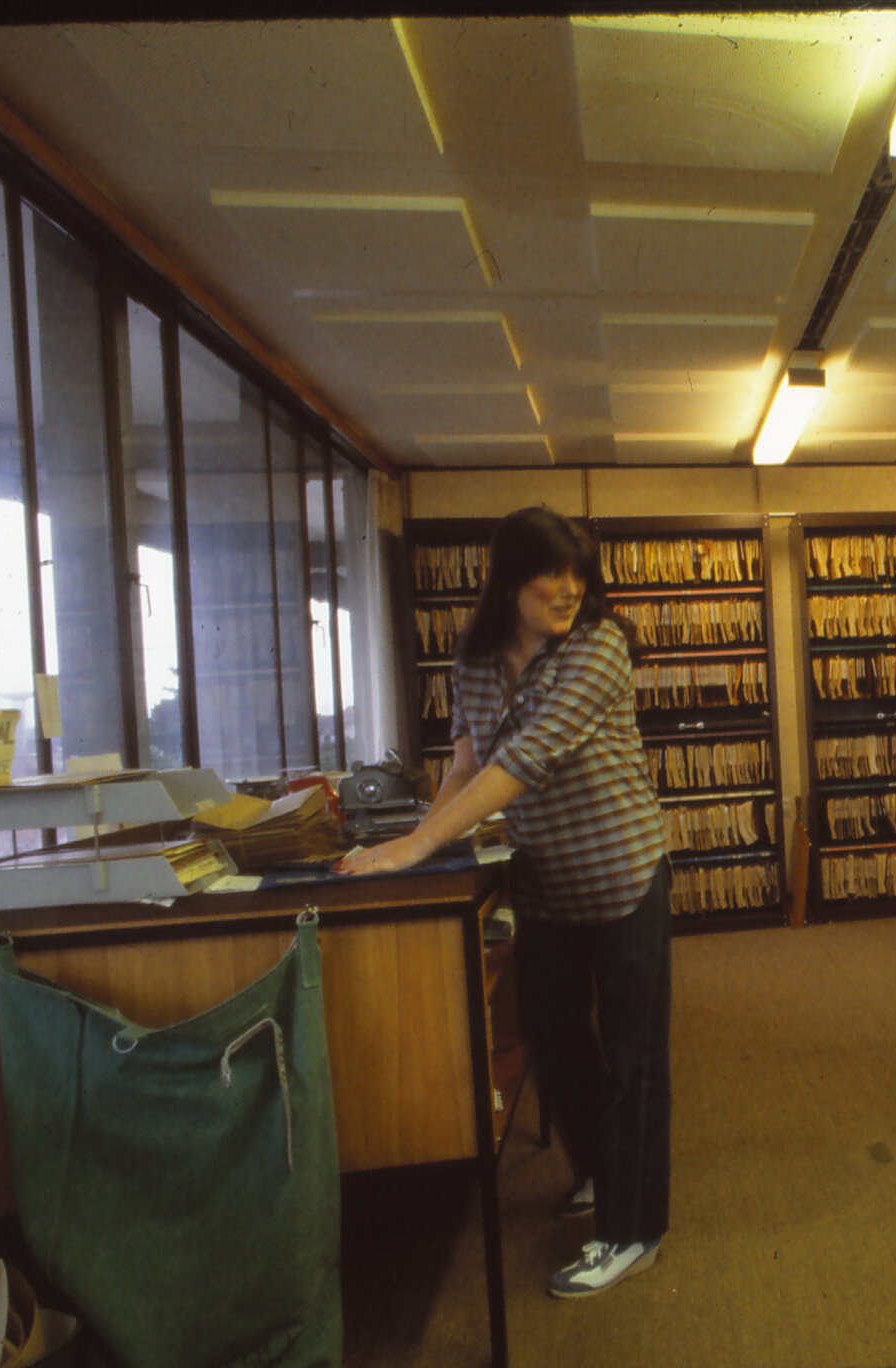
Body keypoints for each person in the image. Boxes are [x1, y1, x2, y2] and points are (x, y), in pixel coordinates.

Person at [336, 507, 671, 1298]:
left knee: (634, 1060)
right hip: (545, 883)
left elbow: (522, 761)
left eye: (577, 574)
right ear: (508, 578)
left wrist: (415, 846)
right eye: (549, 573)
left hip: (624, 874)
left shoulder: (598, 647)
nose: (567, 588)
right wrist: (407, 847)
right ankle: (602, 1170)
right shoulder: (477, 659)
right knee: (555, 1046)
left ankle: (631, 1231)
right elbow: (466, 764)